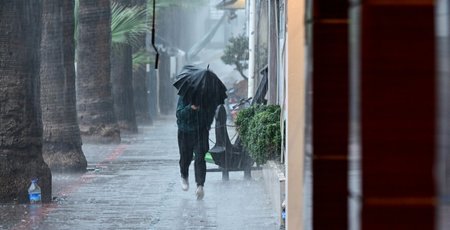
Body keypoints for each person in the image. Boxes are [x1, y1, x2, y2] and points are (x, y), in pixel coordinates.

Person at [176, 96, 216, 200]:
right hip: (185, 132)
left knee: (200, 158)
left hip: (200, 132)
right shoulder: (184, 96)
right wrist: (191, 108)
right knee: (186, 157)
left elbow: (210, 114)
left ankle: (200, 185)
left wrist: (205, 117)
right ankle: (184, 175)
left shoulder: (206, 97)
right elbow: (179, 114)